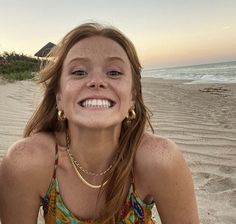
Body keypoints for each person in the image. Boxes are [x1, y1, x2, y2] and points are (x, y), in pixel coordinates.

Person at [0, 22, 199, 224]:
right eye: (78, 72)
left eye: (113, 72)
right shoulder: (25, 162)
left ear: (132, 96)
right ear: (59, 96)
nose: (96, 81)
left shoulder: (161, 159)